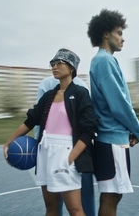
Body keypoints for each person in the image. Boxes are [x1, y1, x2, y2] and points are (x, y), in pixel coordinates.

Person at [4, 48, 98, 216]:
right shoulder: (48, 95)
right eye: (52, 64)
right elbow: (31, 120)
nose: (54, 67)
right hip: (45, 151)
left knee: (75, 209)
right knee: (51, 208)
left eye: (59, 63)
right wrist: (9, 141)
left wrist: (69, 159)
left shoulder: (80, 93)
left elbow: (89, 130)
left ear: (71, 68)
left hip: (66, 152)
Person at [87, 9, 139, 216]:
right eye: (119, 32)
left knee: (113, 195)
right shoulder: (103, 61)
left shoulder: (106, 60)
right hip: (110, 140)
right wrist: (138, 130)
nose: (123, 38)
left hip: (113, 139)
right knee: (111, 196)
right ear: (105, 34)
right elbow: (119, 104)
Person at [35, 75, 96, 216]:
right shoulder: (81, 85)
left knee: (54, 206)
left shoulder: (45, 83)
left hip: (59, 151)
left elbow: (41, 123)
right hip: (77, 151)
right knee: (81, 205)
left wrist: (38, 147)